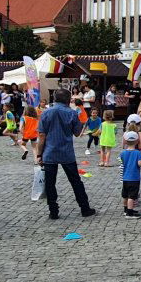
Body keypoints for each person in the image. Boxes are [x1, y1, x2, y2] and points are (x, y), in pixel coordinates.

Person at [35, 89, 95, 219]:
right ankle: (85, 208)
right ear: (68, 100)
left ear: (55, 98)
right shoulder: (72, 113)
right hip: (67, 152)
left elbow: (41, 135)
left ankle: (53, 211)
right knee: (75, 181)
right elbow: (77, 133)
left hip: (49, 152)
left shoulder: (45, 113)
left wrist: (39, 154)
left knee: (50, 183)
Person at [119, 131, 141, 219]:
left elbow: (123, 162)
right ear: (137, 141)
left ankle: (126, 210)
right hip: (134, 178)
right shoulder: (138, 153)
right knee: (132, 196)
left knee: (125, 195)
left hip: (125, 178)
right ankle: (130, 213)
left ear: (125, 141)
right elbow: (139, 164)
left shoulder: (123, 153)